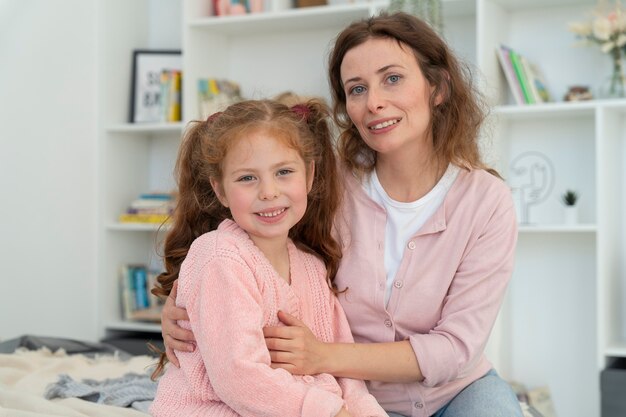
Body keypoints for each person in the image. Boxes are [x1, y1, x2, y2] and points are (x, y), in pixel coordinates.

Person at [160, 12, 523, 417]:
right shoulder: (326, 183)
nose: (374, 102)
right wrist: (184, 313)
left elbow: (456, 349)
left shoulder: (487, 201)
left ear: (438, 87)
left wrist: (323, 357)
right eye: (356, 89)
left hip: (452, 391)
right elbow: (243, 250)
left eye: (393, 78)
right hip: (341, 396)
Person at [149, 98, 387, 417]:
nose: (269, 192)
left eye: (284, 172)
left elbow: (345, 374)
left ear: (309, 174)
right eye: (247, 178)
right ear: (220, 190)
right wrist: (328, 412)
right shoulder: (220, 256)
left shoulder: (312, 267)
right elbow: (239, 377)